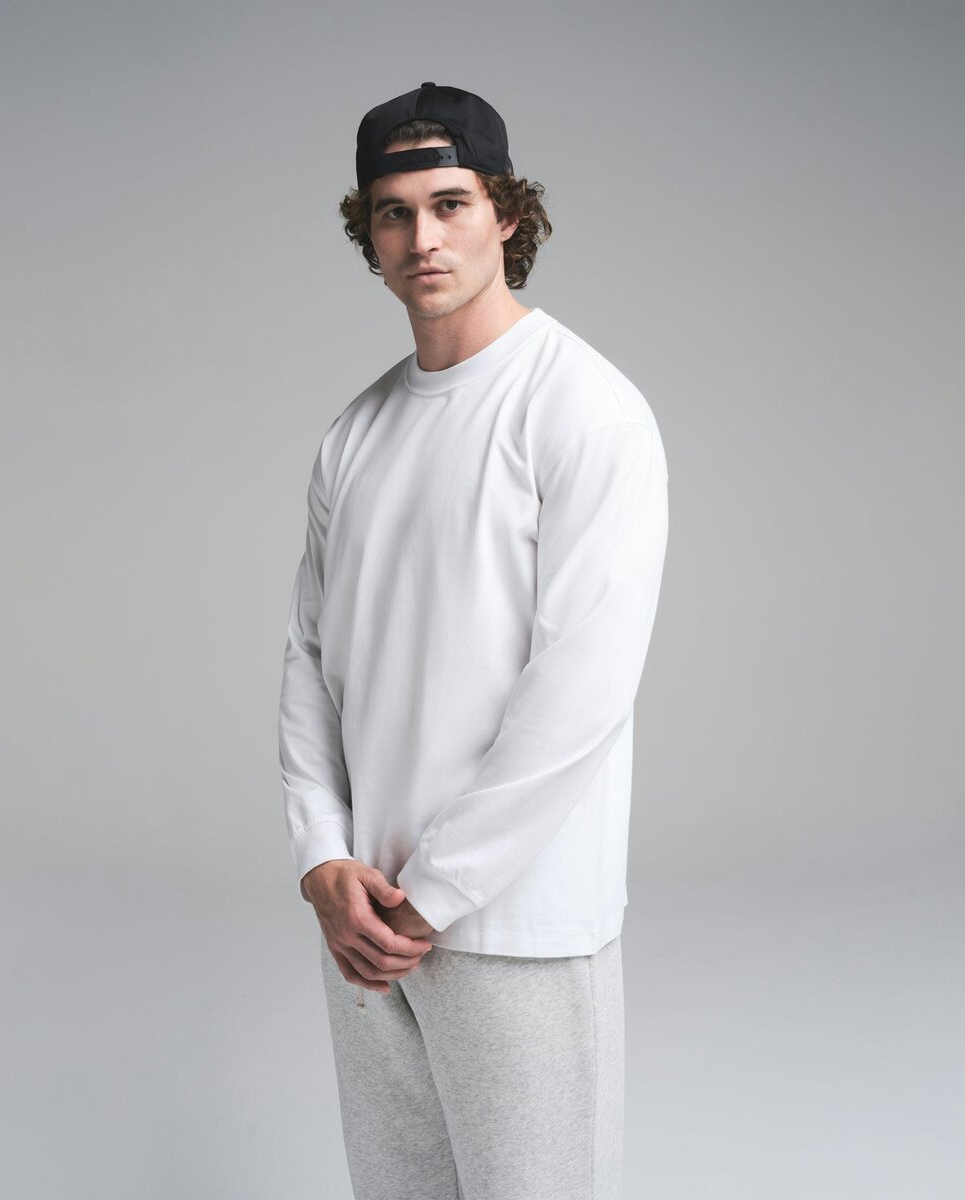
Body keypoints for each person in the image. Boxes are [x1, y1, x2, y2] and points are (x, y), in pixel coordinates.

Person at [277, 81, 670, 1200]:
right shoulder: (356, 433)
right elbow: (310, 660)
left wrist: (435, 892)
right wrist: (323, 861)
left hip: (514, 923)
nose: (423, 238)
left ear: (507, 213)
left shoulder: (584, 410)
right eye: (393, 213)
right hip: (367, 923)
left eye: (450, 203)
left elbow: (582, 688)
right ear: (368, 235)